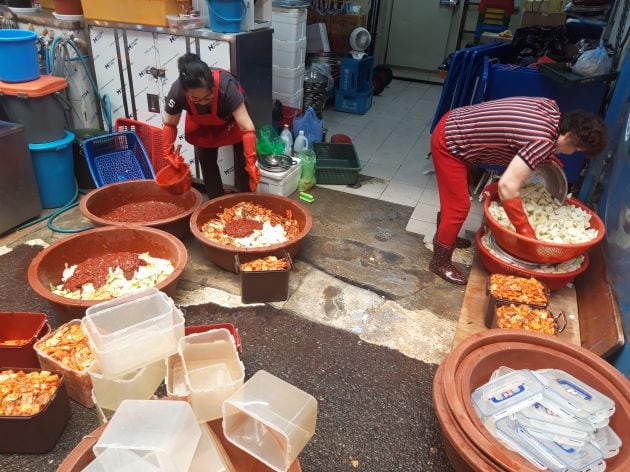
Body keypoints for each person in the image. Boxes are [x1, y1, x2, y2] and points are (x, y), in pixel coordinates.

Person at [429, 96, 607, 285]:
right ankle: (439, 261)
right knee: (458, 206)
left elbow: (520, 135)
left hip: (458, 121)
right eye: (576, 148)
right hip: (449, 141)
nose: (571, 153)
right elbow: (507, 186)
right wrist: (526, 231)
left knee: (457, 196)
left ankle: (447, 236)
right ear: (570, 136)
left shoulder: (551, 109)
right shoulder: (541, 140)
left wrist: (544, 156)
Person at [162, 53, 260, 198]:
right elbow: (170, 124)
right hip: (202, 125)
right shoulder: (177, 91)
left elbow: (246, 127)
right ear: (186, 92)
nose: (202, 102)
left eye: (207, 97)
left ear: (213, 87)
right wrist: (167, 152)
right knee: (207, 163)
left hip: (232, 123)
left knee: (244, 164)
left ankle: (247, 201)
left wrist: (251, 163)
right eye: (196, 99)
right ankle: (216, 204)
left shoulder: (226, 86)